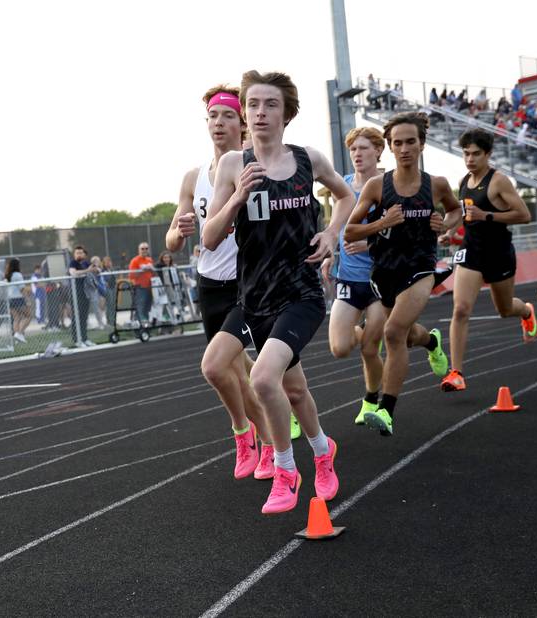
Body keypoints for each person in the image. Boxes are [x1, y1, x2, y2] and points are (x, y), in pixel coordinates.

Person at [203, 70, 355, 514]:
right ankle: (324, 450)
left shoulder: (308, 160)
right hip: (254, 298)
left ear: (286, 113)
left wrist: (331, 233)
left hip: (302, 294)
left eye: (270, 104)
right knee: (292, 390)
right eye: (253, 105)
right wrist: (235, 198)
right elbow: (211, 237)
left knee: (262, 377)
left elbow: (344, 197)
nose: (259, 113)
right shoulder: (233, 165)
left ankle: (287, 470)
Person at [166, 84, 274, 480]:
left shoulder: (254, 168)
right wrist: (179, 231)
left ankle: (246, 435)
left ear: (242, 123)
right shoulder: (194, 177)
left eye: (228, 115)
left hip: (248, 285)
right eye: (213, 115)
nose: (219, 122)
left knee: (218, 368)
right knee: (233, 370)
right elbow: (173, 239)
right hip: (210, 281)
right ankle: (264, 440)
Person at [344, 112, 458, 436]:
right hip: (385, 271)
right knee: (407, 336)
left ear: (422, 144)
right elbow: (350, 232)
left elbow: (454, 210)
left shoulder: (436, 185)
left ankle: (386, 410)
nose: (404, 148)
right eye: (398, 143)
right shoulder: (377, 186)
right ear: (390, 148)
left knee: (392, 333)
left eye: (411, 141)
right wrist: (382, 223)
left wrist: (445, 225)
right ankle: (432, 342)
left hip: (420, 267)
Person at [438, 128, 537, 393]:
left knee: (505, 309)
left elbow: (524, 214)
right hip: (472, 252)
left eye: (476, 154)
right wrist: (450, 232)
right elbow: (464, 212)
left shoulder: (499, 181)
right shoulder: (462, 181)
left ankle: (526, 311)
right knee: (460, 309)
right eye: (466, 153)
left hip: (499, 252)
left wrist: (487, 216)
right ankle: (456, 373)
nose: (470, 159)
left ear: (488, 154)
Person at [320, 126, 387, 425]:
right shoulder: (343, 186)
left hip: (380, 279)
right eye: (353, 150)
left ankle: (371, 400)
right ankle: (426, 341)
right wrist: (329, 253)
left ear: (378, 151)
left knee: (371, 349)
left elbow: (402, 232)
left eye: (363, 148)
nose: (357, 154)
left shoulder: (389, 186)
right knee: (339, 348)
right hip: (348, 277)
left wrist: (371, 242)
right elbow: (336, 226)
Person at [68, 246, 97, 347]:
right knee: (77, 317)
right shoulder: (73, 263)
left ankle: (85, 338)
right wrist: (87, 271)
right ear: (74, 254)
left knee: (84, 317)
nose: (79, 254)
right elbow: (73, 273)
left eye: (81, 253)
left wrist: (95, 268)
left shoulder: (85, 263)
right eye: (77, 253)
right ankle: (77, 340)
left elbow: (96, 270)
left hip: (86, 293)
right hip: (76, 294)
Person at [5, 258, 31, 343]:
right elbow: (22, 289)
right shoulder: (17, 275)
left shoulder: (7, 275)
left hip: (10, 299)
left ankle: (17, 337)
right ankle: (19, 334)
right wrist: (27, 300)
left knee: (16, 318)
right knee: (28, 316)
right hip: (18, 299)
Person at [128, 242, 154, 325]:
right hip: (140, 287)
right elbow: (131, 275)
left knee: (148, 306)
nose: (144, 250)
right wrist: (141, 270)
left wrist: (151, 269)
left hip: (150, 286)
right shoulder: (135, 261)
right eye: (142, 249)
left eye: (146, 248)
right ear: (139, 250)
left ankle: (145, 323)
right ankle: (139, 323)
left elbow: (153, 273)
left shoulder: (149, 260)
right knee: (140, 306)